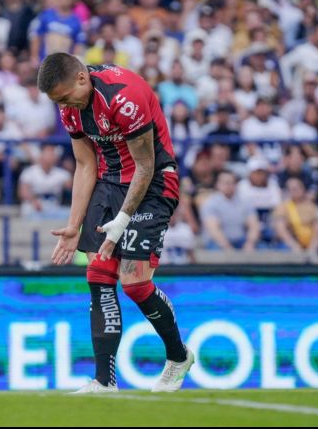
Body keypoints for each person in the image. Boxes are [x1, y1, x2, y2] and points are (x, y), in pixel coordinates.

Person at [37, 53, 193, 394]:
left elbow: (145, 165)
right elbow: (84, 164)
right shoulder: (69, 107)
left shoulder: (125, 97)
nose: (65, 107)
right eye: (58, 102)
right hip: (108, 183)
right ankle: (104, 381)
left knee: (135, 283)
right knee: (98, 276)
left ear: (81, 78)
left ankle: (178, 357)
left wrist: (122, 220)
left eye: (65, 98)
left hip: (152, 183)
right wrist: (74, 225)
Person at [200, 170, 261, 251]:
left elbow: (254, 225)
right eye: (226, 183)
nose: (229, 186)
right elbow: (213, 229)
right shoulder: (210, 203)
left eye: (232, 183)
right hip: (217, 242)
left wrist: (250, 243)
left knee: (262, 248)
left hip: (240, 241)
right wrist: (227, 247)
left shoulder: (245, 201)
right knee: (216, 251)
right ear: (218, 184)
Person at [273, 178, 318, 255]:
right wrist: (295, 246)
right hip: (291, 244)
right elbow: (280, 228)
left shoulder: (313, 207)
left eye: (297, 188)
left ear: (303, 189)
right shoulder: (283, 207)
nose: (295, 191)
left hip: (312, 243)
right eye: (292, 189)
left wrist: (312, 248)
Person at [18, 144, 72, 220]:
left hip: (54, 209)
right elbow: (23, 192)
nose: (50, 157)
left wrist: (70, 169)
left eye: (52, 154)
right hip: (33, 208)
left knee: (69, 214)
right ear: (41, 155)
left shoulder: (62, 174)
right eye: (47, 154)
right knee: (30, 213)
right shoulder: (29, 172)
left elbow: (72, 188)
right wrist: (34, 201)